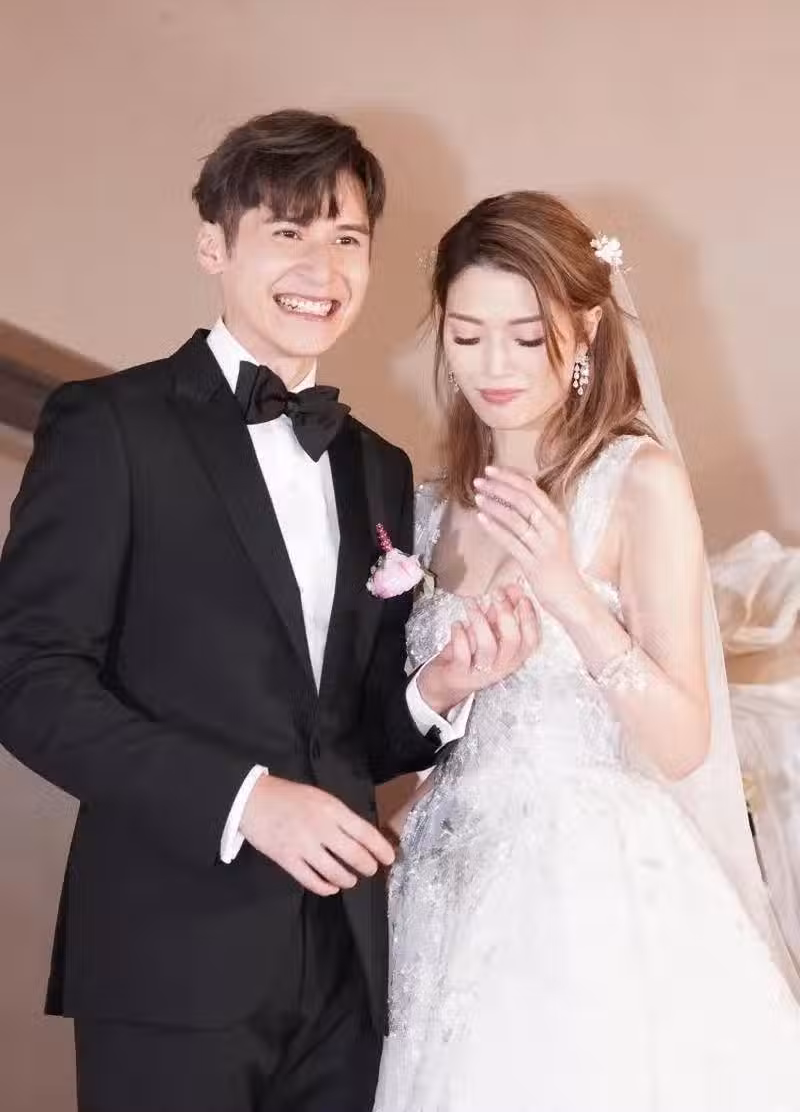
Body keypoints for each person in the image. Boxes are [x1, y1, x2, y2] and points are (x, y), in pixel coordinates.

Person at [0, 112, 535, 1112]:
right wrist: (245, 801)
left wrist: (437, 689)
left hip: (347, 967)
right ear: (214, 245)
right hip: (169, 957)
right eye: (287, 231)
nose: (320, 268)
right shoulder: (109, 425)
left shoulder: (376, 467)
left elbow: (353, 725)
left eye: (346, 238)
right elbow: (26, 677)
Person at [374, 190, 800, 1112]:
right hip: (440, 881)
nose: (494, 365)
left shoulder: (637, 482)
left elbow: (683, 741)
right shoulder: (430, 509)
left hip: (584, 887)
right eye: (467, 334)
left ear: (586, 331)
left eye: (527, 336)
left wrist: (566, 591)